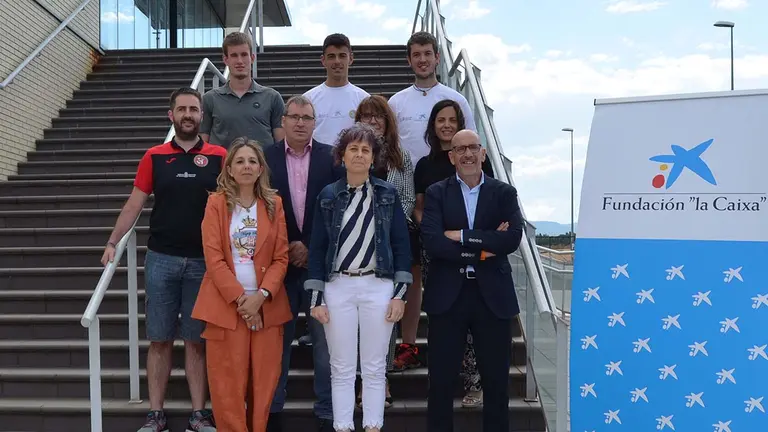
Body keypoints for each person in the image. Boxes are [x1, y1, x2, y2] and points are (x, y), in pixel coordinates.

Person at [100, 87, 226, 432]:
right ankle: (155, 414)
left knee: (197, 340)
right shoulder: (154, 156)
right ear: (171, 115)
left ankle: (199, 415)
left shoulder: (220, 156)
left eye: (194, 109)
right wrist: (113, 241)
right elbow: (134, 203)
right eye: (182, 109)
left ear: (202, 116)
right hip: (161, 259)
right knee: (159, 339)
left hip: (204, 263)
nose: (188, 114)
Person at [305, 123, 412, 432]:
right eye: (353, 148)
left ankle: (373, 427)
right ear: (342, 155)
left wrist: (399, 294)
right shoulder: (328, 195)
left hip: (377, 286)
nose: (359, 154)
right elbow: (317, 249)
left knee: (375, 368)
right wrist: (316, 298)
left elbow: (401, 245)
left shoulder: (387, 193)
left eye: (366, 150)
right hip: (338, 286)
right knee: (340, 368)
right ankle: (342, 427)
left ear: (373, 157)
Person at [420, 129, 524, 432]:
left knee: (496, 383)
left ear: (483, 153)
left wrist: (463, 236)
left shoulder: (504, 193)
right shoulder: (437, 192)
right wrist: (480, 252)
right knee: (440, 382)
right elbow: (433, 241)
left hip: (492, 296)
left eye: (473, 148)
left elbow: (511, 239)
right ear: (451, 157)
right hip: (448, 295)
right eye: (460, 149)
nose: (467, 154)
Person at [191, 138, 292, 431]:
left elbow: (281, 257)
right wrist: (242, 302)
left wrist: (260, 297)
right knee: (226, 385)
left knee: (264, 383)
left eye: (252, 161)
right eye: (240, 161)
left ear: (261, 168)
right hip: (225, 307)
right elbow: (214, 257)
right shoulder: (216, 204)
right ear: (230, 169)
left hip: (267, 307)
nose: (246, 166)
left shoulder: (274, 204)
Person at [263, 95, 344, 432]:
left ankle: (326, 412)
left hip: (319, 264)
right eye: (293, 117)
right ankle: (273, 409)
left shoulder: (332, 159)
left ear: (315, 122)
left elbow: (339, 210)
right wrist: (287, 247)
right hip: (277, 265)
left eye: (306, 117)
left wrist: (311, 247)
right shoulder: (264, 158)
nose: (299, 123)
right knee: (276, 343)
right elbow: (258, 210)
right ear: (282, 121)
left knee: (325, 346)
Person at [412, 99, 495, 407]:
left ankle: (474, 383)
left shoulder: (477, 161)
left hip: (471, 251)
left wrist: (465, 238)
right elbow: (419, 210)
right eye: (440, 120)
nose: (446, 125)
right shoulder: (424, 165)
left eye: (452, 119)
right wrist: (435, 234)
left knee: (472, 319)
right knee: (441, 320)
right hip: (436, 252)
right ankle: (440, 384)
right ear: (433, 126)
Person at [355, 94, 415, 408]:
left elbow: (406, 199)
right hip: (353, 249)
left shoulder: (399, 157)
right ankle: (358, 377)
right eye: (366, 116)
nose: (372, 121)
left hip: (388, 246)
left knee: (384, 318)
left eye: (377, 116)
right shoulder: (350, 152)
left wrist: (385, 227)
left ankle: (380, 380)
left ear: (387, 120)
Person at [387, 31, 477, 164]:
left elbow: (472, 141)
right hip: (407, 180)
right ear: (409, 60)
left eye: (427, 54)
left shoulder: (457, 100)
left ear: (437, 58)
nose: (422, 60)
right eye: (416, 55)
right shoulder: (395, 102)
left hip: (447, 176)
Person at [201, 31, 286, 149]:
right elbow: (202, 146)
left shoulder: (272, 97)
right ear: (226, 60)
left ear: (252, 58)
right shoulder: (209, 99)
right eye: (234, 55)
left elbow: (281, 145)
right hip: (223, 166)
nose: (240, 61)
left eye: (244, 54)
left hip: (263, 166)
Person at [303, 33, 369, 145]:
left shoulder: (364, 99)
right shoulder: (308, 99)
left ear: (351, 59)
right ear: (323, 60)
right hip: (319, 162)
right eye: (331, 56)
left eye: (342, 56)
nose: (337, 61)